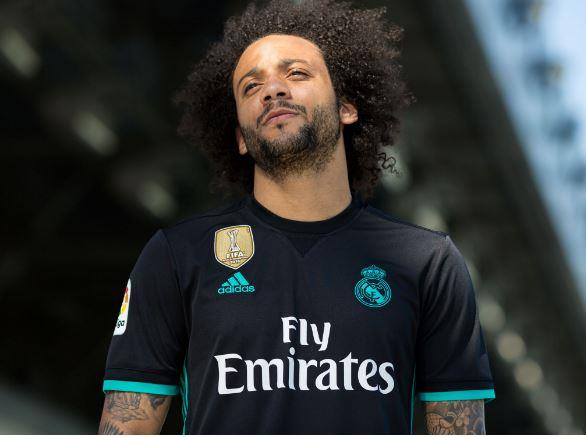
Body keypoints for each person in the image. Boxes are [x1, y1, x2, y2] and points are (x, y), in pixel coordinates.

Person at [98, 0, 495, 434]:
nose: (272, 90)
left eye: (297, 74)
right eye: (251, 87)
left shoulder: (428, 261)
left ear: (347, 108)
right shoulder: (177, 255)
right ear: (240, 138)